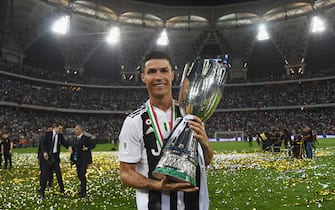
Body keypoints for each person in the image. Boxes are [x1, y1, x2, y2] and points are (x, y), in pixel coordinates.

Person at [118, 51, 213, 210]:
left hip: (193, 205)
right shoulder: (134, 122)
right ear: (143, 77)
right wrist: (158, 185)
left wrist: (205, 144)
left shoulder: (189, 114)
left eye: (164, 70)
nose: (158, 77)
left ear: (172, 75)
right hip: (154, 206)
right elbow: (126, 174)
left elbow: (206, 161)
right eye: (151, 72)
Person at [38, 123, 71, 199]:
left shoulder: (60, 136)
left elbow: (64, 143)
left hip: (55, 158)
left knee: (59, 174)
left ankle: (62, 191)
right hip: (46, 158)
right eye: (59, 129)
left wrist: (69, 147)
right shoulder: (47, 134)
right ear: (55, 128)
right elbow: (43, 144)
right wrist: (44, 152)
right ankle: (42, 192)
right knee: (45, 175)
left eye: (61, 129)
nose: (61, 130)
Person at [70, 124, 95, 198]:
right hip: (77, 160)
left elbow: (93, 145)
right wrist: (71, 159)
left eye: (77, 129)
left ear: (81, 130)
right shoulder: (75, 139)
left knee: (82, 174)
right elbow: (73, 150)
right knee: (79, 174)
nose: (75, 130)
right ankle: (82, 189)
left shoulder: (86, 138)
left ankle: (83, 191)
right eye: (75, 129)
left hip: (84, 159)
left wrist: (87, 148)